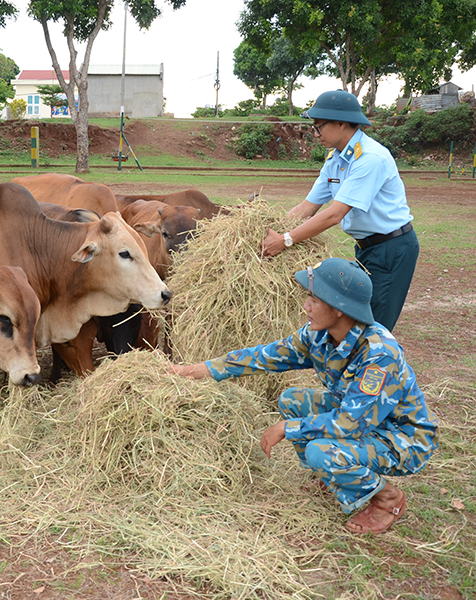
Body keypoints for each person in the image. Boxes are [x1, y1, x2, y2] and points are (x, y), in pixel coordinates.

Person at [169, 258, 438, 534]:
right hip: (364, 420)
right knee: (292, 400)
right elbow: (261, 357)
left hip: (403, 438)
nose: (306, 306)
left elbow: (351, 424)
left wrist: (288, 428)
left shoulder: (379, 354)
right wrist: (192, 371)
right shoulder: (317, 336)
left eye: (314, 299)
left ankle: (387, 499)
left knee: (318, 451)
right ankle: (331, 476)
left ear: (339, 309)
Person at [260, 90, 419, 331]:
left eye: (319, 126)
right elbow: (308, 206)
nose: (315, 133)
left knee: (375, 329)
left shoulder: (369, 158)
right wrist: (275, 229)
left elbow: (335, 214)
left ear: (341, 124)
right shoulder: (335, 159)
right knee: (354, 321)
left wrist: (286, 240)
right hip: (366, 248)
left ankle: (380, 368)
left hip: (391, 249)